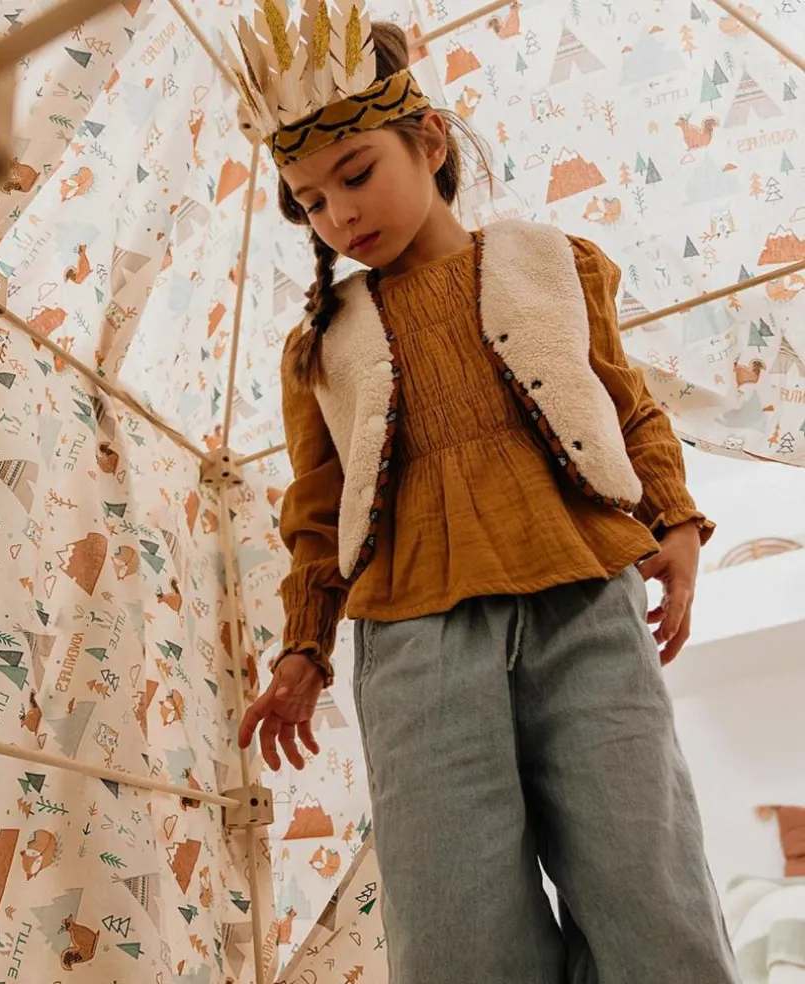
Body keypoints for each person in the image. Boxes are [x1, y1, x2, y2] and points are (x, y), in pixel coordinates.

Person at [231, 5, 740, 982]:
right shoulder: (319, 347)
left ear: (429, 141)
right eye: (310, 202)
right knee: (456, 929)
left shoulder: (556, 263)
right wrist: (303, 648)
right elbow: (315, 516)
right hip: (414, 640)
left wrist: (676, 520)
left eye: (356, 174)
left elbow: (625, 403)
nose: (339, 216)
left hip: (585, 604)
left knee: (652, 896)